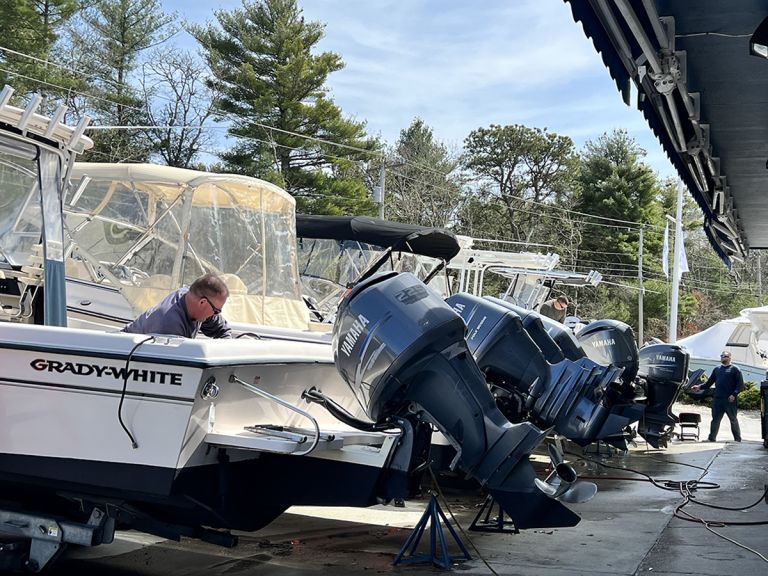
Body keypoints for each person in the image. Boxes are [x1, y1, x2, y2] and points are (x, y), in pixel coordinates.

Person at [122, 273, 232, 339]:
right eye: (216, 311)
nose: (215, 314)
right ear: (202, 302)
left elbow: (223, 330)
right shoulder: (169, 325)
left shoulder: (191, 298)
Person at [691, 350, 743, 442]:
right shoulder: (717, 369)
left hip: (729, 400)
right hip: (718, 399)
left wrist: (734, 394)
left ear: (730, 358)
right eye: (722, 356)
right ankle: (712, 438)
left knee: (733, 419)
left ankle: (737, 439)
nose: (723, 357)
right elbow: (709, 383)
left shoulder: (735, 369)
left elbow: (740, 385)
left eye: (725, 356)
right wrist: (699, 387)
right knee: (715, 419)